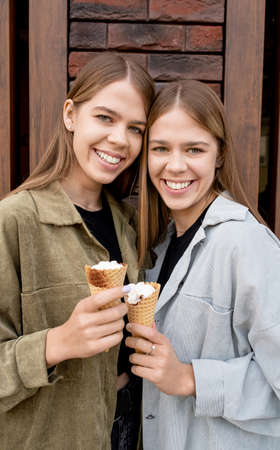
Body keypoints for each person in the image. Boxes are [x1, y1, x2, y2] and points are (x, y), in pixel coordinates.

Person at [125, 80, 280, 449]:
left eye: (194, 149)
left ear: (218, 154)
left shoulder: (247, 246)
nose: (175, 165)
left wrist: (191, 379)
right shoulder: (159, 248)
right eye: (160, 148)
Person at [0, 52, 154, 450]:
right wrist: (57, 343)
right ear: (71, 115)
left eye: (135, 128)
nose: (120, 139)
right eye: (105, 118)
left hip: (129, 426)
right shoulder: (14, 221)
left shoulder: (130, 224)